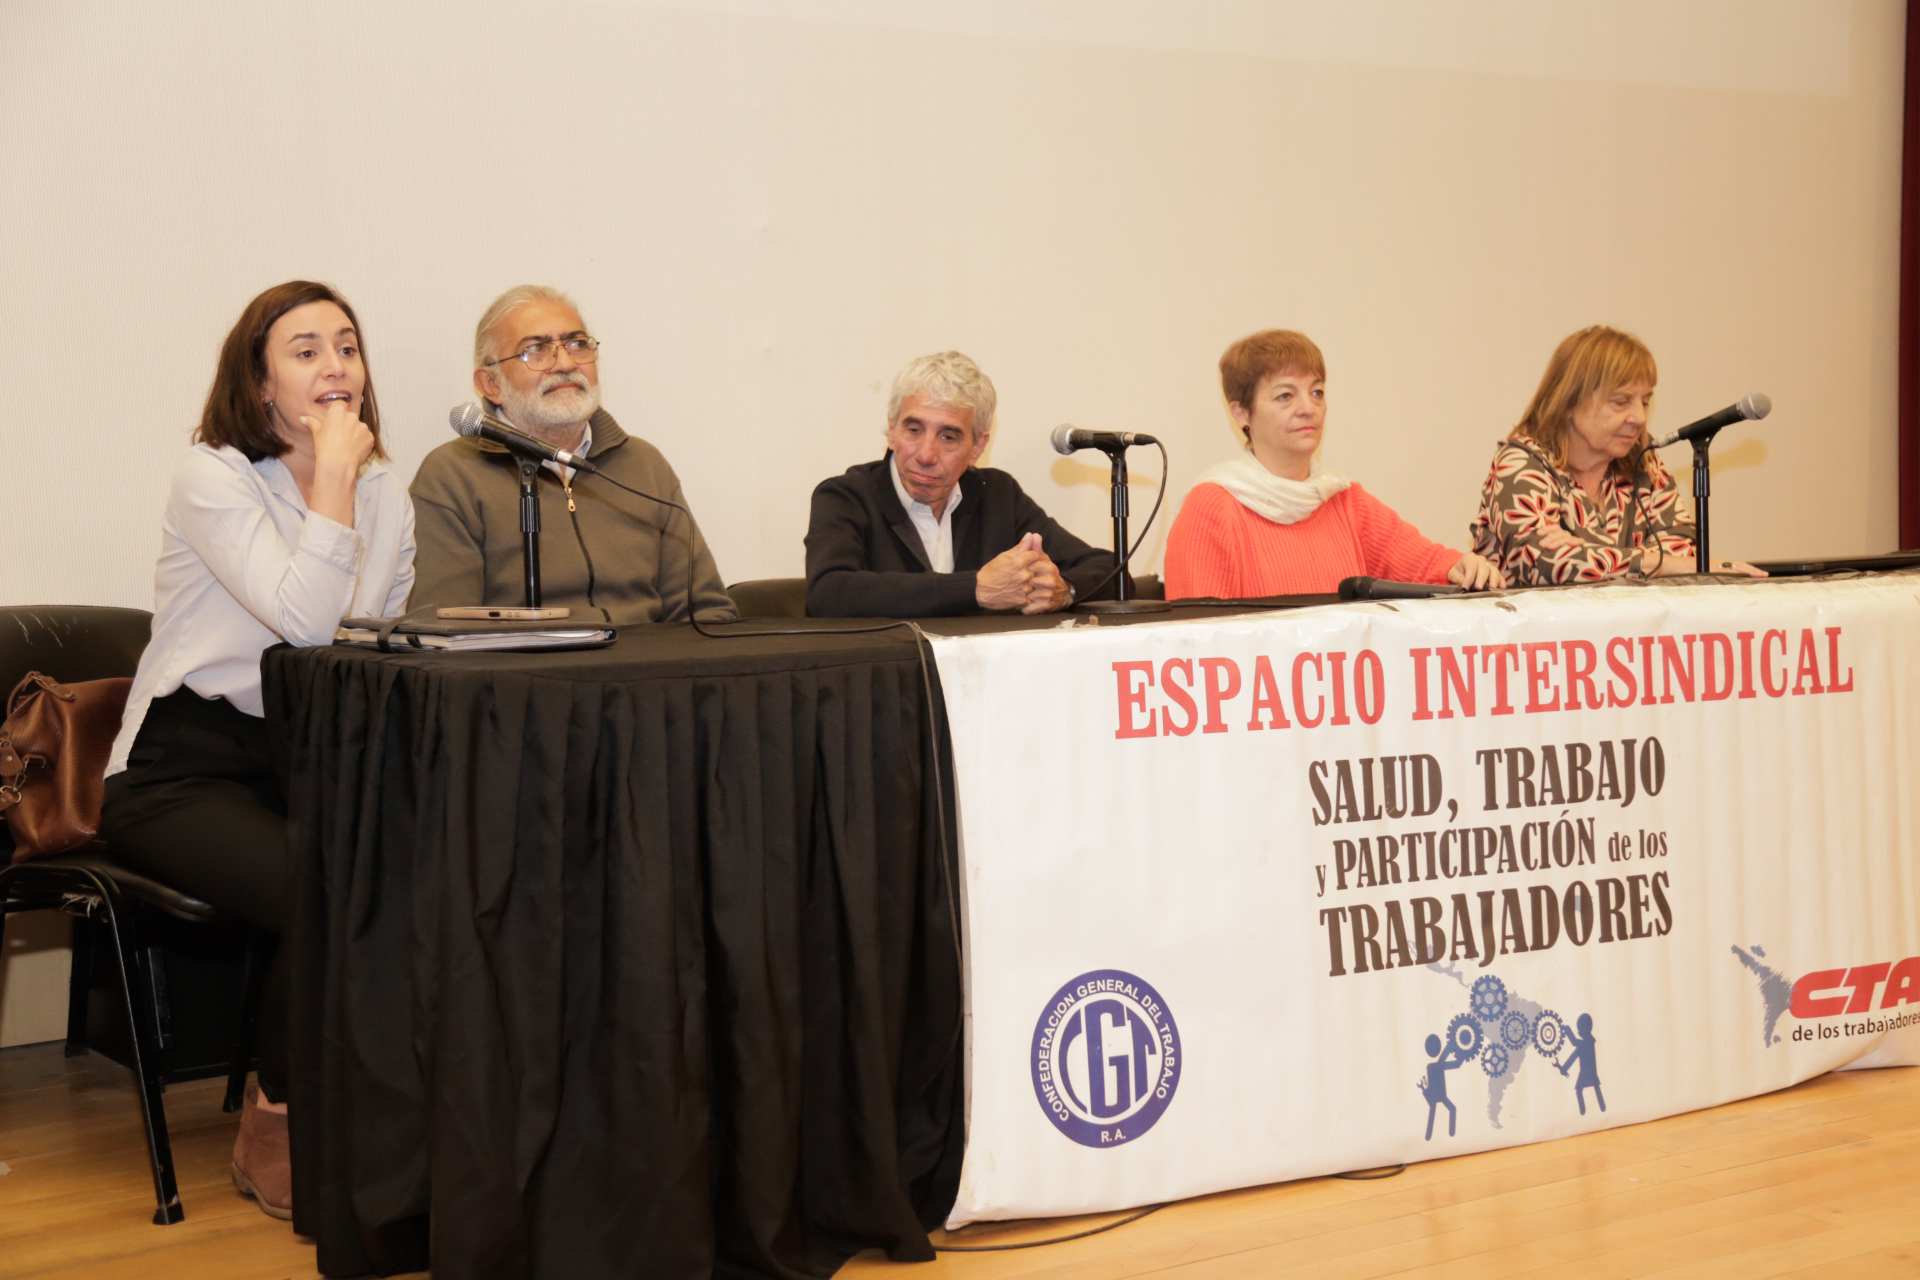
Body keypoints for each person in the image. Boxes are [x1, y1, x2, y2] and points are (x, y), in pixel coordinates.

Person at [101, 281, 416, 1221]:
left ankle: (398, 1115)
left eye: (347, 346)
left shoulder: (386, 490)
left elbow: (373, 646)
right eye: (306, 350)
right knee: (324, 891)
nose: (335, 366)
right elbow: (307, 625)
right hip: (182, 766)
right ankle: (275, 1120)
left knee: (421, 872)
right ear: (260, 379)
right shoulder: (214, 476)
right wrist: (333, 481)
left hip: (307, 755)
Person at [409, 285, 736, 623]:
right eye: (536, 349)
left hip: (651, 655)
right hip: (526, 658)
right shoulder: (452, 475)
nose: (565, 363)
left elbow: (707, 612)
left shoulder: (644, 464)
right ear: (491, 384)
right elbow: (444, 627)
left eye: (578, 344)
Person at [1163, 330, 1503, 599]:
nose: (1307, 408)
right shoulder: (1212, 508)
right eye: (1285, 396)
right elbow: (1197, 639)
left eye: (1317, 392)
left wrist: (1462, 567)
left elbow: (1426, 566)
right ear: (1241, 413)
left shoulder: (1343, 500)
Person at [805, 351, 1121, 616]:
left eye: (948, 437)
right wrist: (976, 589)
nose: (926, 455)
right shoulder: (846, 496)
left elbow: (1112, 570)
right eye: (914, 430)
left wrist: (1065, 590)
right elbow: (827, 594)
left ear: (977, 447)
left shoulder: (997, 495)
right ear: (892, 430)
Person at [1469, 325, 1764, 583]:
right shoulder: (1521, 463)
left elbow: (1682, 551)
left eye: (1644, 402)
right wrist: (1648, 561)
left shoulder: (1643, 460)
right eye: (1621, 402)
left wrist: (1586, 550)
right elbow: (1542, 564)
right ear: (1570, 401)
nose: (1639, 418)